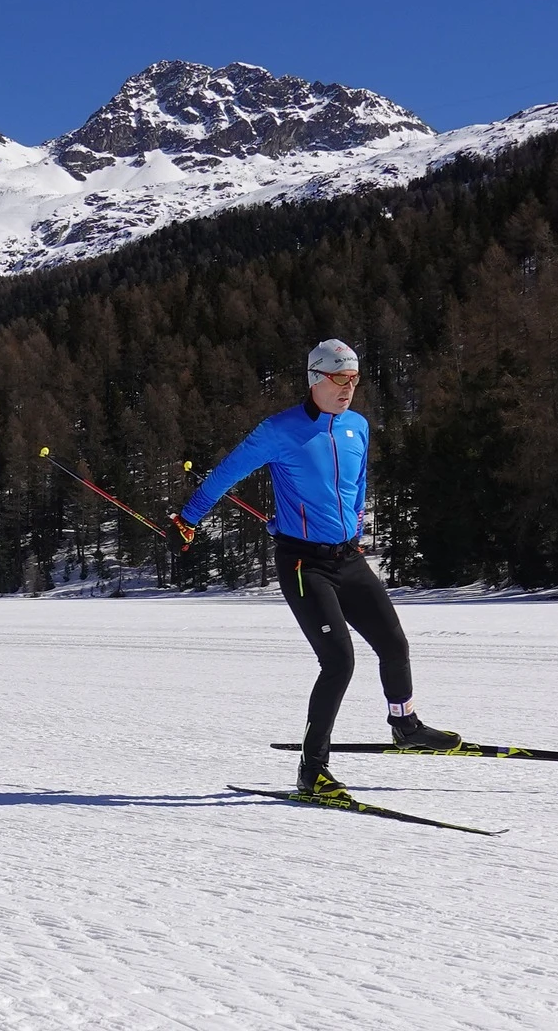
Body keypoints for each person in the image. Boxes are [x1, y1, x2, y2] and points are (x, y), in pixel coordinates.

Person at [169, 339, 461, 798]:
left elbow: (358, 483)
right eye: (339, 379)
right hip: (304, 564)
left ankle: (405, 725)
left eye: (355, 379)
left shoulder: (358, 427)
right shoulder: (278, 430)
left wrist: (357, 529)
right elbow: (226, 473)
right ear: (315, 378)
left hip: (347, 557)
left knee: (394, 643)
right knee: (339, 661)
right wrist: (187, 519)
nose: (348, 388)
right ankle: (313, 769)